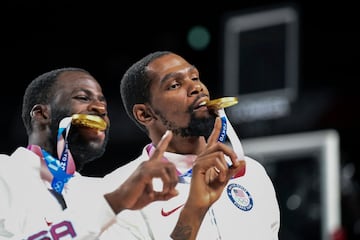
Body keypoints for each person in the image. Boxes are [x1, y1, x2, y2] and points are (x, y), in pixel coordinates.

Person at [0, 67, 240, 240]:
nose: (101, 108)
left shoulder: (97, 191)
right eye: (83, 98)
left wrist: (194, 209)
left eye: (103, 102)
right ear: (41, 114)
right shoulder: (5, 173)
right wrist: (114, 203)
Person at [102, 51, 280, 239]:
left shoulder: (252, 173)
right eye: (175, 85)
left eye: (195, 77)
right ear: (145, 114)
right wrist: (194, 210)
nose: (196, 87)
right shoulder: (119, 192)